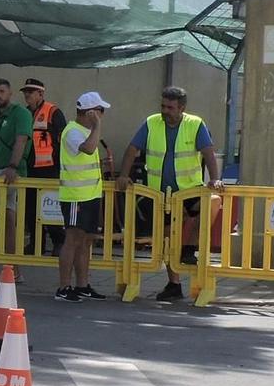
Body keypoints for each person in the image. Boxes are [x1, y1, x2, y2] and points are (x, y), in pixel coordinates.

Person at [118, 83, 220, 302]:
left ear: (181, 108)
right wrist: (123, 175)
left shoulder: (195, 124)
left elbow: (209, 154)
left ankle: (189, 248)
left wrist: (215, 179)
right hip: (161, 195)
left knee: (212, 202)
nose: (165, 111)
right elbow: (131, 150)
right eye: (163, 106)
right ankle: (174, 284)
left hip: (190, 190)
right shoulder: (151, 122)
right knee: (166, 240)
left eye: (170, 108)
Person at [55, 92, 109, 301]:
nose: (102, 115)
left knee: (86, 240)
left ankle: (82, 285)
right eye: (100, 112)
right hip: (75, 196)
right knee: (72, 239)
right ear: (91, 113)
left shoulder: (84, 130)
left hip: (89, 195)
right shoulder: (73, 132)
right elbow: (88, 149)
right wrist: (96, 127)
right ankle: (63, 287)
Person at [0, 77, 31, 250]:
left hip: (9, 172)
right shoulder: (0, 116)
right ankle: (13, 270)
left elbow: (21, 141)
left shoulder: (20, 113)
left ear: (10, 93)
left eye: (2, 91)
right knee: (7, 219)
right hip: (0, 171)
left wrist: (12, 167)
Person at [20, 77, 65, 252]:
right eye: (25, 92)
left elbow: (62, 139)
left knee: (50, 207)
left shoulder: (53, 111)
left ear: (41, 93)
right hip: (30, 168)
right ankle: (36, 243)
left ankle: (58, 241)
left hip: (50, 168)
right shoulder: (25, 113)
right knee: (30, 208)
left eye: (30, 92)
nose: (27, 95)